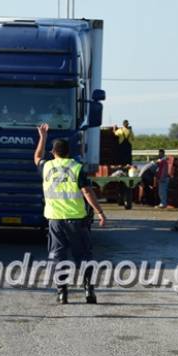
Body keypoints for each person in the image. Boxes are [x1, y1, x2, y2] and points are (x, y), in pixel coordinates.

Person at [34, 123, 106, 304]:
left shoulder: (47, 167)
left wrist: (42, 136)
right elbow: (87, 192)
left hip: (55, 220)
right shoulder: (77, 167)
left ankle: (62, 292)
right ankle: (89, 290)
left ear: (53, 152)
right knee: (84, 255)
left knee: (58, 256)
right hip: (77, 220)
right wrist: (99, 212)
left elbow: (36, 156)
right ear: (69, 152)